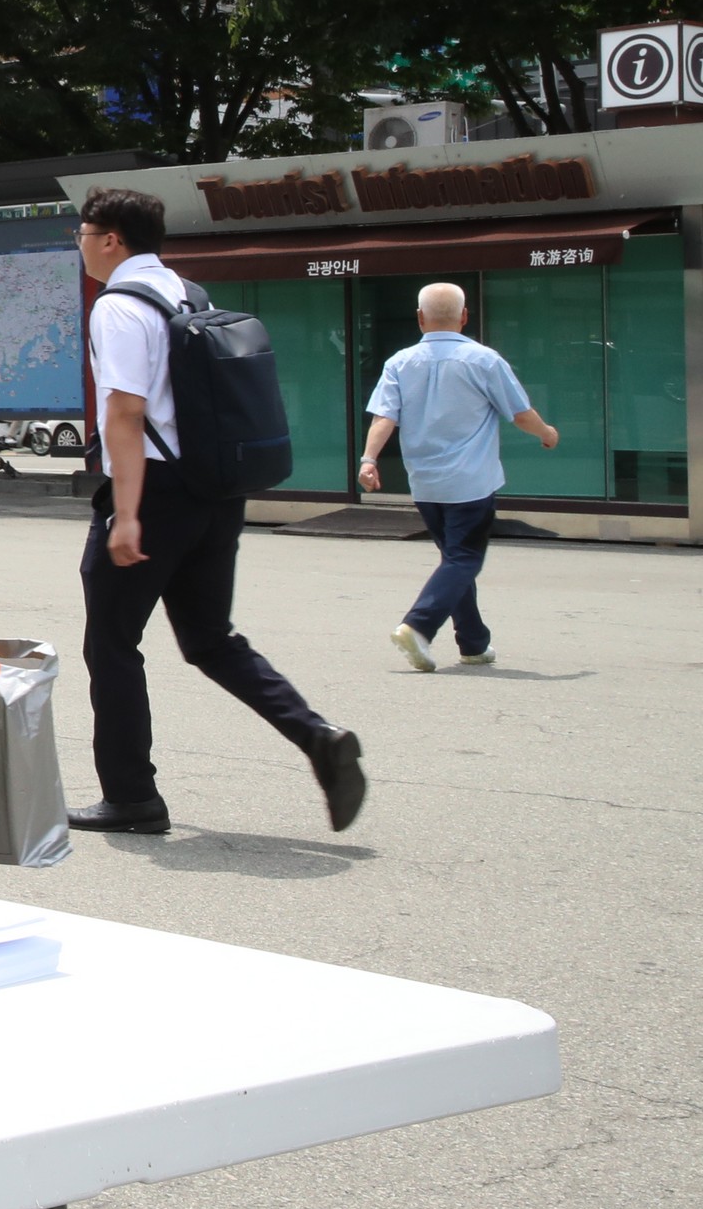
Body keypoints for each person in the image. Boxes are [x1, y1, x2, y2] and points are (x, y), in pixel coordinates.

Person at [72, 186, 365, 835]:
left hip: (152, 492)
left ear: (111, 239)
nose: (81, 245)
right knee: (211, 639)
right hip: (214, 489)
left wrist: (126, 515)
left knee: (112, 644)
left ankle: (131, 797)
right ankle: (317, 736)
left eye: (83, 234)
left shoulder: (119, 307)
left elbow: (125, 413)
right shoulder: (186, 293)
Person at [359, 283, 557, 670]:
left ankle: (473, 643)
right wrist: (547, 433)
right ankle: (418, 626)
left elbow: (385, 417)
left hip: (425, 483)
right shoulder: (483, 360)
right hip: (470, 481)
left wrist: (369, 459)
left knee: (454, 560)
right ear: (465, 317)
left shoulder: (400, 362)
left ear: (420, 318)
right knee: (464, 559)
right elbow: (520, 414)